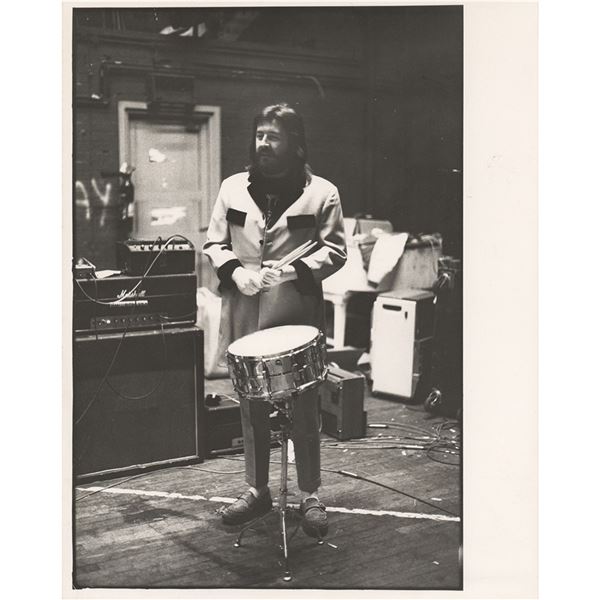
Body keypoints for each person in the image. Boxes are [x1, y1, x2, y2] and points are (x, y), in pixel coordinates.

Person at [202, 103, 347, 538]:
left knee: (304, 406)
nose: (264, 143)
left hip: (295, 317)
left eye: (274, 137)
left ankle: (310, 494)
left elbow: (335, 251)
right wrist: (237, 273)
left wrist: (291, 272)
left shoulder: (323, 193)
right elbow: (214, 244)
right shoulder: (232, 188)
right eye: (260, 135)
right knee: (251, 407)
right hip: (245, 312)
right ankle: (257, 489)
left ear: (295, 144)